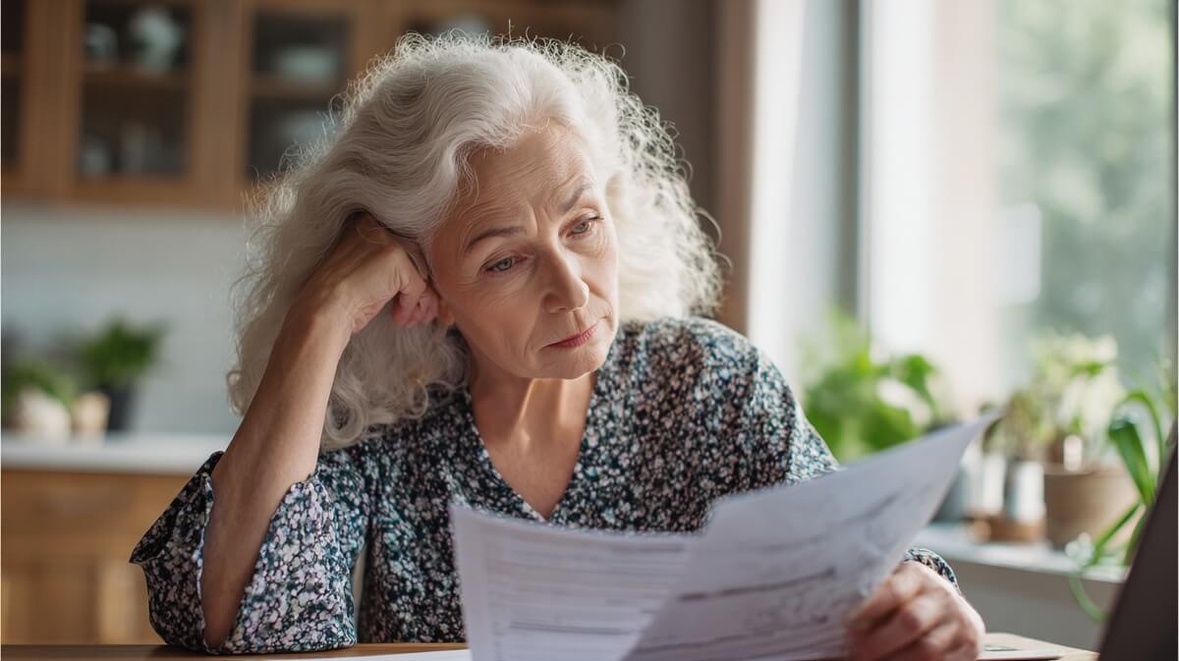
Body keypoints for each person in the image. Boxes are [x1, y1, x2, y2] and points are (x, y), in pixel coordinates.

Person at [131, 34, 985, 660]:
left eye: (584, 224)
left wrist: (927, 601)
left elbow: (859, 569)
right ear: (422, 286)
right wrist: (323, 309)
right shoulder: (390, 426)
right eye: (503, 259)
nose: (573, 288)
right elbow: (231, 616)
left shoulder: (710, 384)